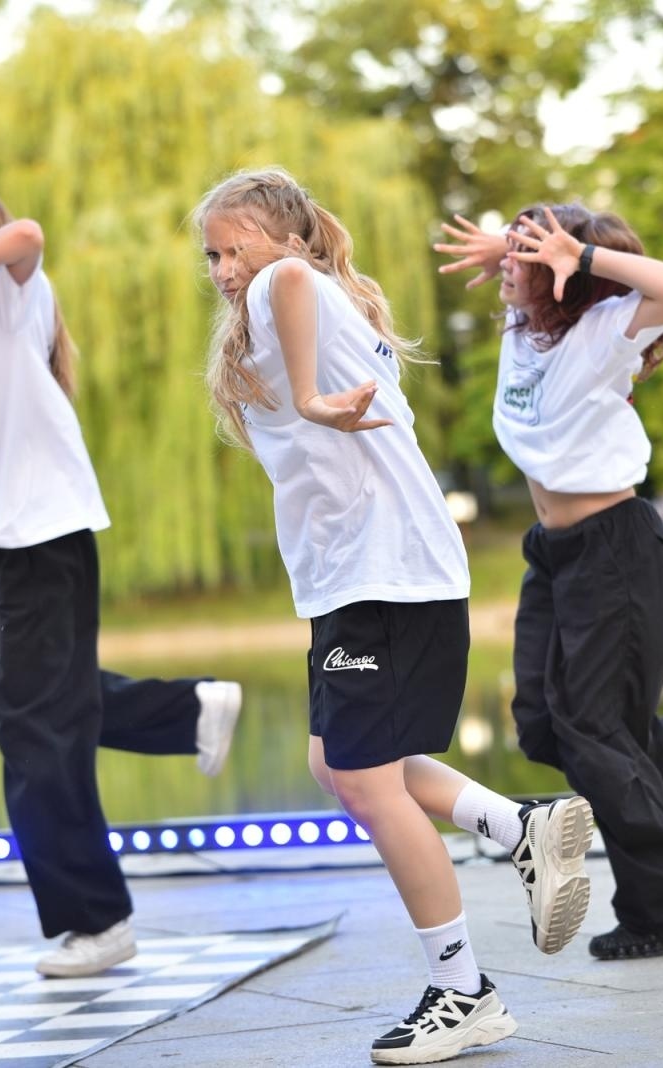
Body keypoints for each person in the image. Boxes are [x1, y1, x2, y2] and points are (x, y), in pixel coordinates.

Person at [195, 167, 594, 1065]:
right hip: (364, 575)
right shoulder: (322, 302)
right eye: (211, 256)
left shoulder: (288, 283)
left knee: (365, 780)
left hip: (383, 574)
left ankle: (463, 990)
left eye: (234, 247)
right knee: (334, 765)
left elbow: (284, 281)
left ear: (286, 238)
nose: (223, 269)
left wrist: (306, 397)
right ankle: (518, 827)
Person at [0, 179, 244, 979]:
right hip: (1, 540)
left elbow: (27, 231)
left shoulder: (2, 287)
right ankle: (190, 709)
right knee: (35, 711)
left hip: (42, 532)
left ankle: (98, 921)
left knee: (34, 734)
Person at [435, 202, 663, 961]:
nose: (511, 262)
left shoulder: (606, 333)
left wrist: (580, 256)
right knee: (543, 722)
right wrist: (507, 252)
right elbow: (526, 274)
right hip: (554, 552)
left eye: (527, 251)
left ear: (566, 273)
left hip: (618, 552)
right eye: (515, 247)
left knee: (594, 731)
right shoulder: (522, 328)